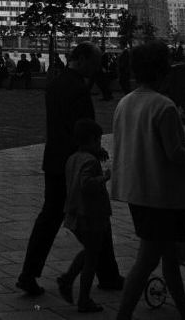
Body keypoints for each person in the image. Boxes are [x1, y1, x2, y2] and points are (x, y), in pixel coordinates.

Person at [110, 41, 185, 320]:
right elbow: (175, 154)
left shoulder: (125, 102)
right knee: (147, 260)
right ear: (164, 71)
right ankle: (123, 315)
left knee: (168, 257)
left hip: (136, 190)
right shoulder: (164, 106)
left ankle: (184, 311)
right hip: (162, 194)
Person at [16, 42, 123, 297]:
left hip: (54, 160)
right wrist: (95, 150)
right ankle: (108, 275)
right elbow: (83, 127)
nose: (97, 69)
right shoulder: (78, 88)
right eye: (95, 63)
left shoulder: (55, 84)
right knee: (96, 218)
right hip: (77, 161)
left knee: (49, 218)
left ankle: (28, 274)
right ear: (83, 58)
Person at [56, 119, 112, 314]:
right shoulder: (89, 161)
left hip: (74, 214)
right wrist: (104, 177)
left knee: (90, 250)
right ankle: (84, 298)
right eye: (98, 140)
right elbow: (86, 184)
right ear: (92, 140)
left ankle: (68, 279)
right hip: (89, 215)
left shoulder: (73, 158)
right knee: (92, 258)